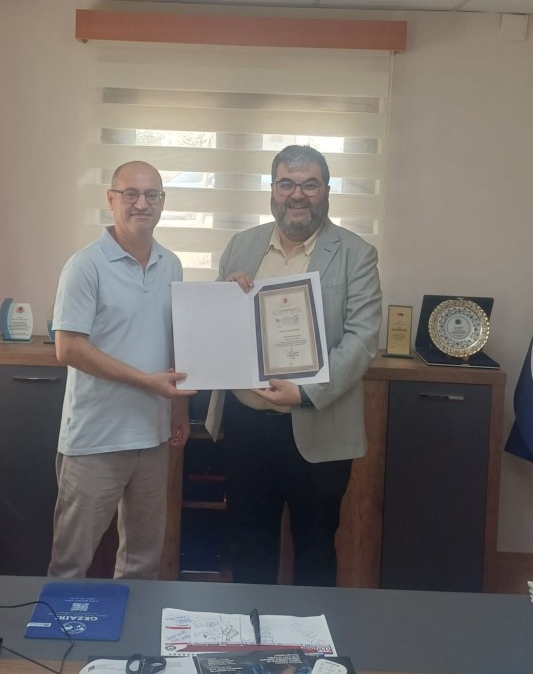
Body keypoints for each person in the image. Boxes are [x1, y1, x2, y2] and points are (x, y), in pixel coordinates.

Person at [206, 145, 381, 586]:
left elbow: (362, 339)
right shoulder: (241, 246)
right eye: (286, 184)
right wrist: (224, 296)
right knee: (248, 545)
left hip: (317, 424)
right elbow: (216, 330)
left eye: (309, 185)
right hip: (246, 426)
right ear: (272, 189)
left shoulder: (356, 253)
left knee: (316, 549)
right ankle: (250, 628)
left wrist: (305, 392)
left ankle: (311, 632)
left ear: (327, 191)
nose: (297, 195)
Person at [48, 160, 195, 580]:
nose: (141, 204)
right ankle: (59, 629)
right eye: (130, 194)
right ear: (111, 200)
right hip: (95, 439)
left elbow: (173, 340)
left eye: (152, 195)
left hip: (152, 437)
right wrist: (145, 381)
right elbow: (68, 347)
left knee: (142, 564)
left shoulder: (172, 264)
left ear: (163, 202)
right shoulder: (85, 266)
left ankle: (132, 628)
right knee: (70, 564)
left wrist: (179, 410)